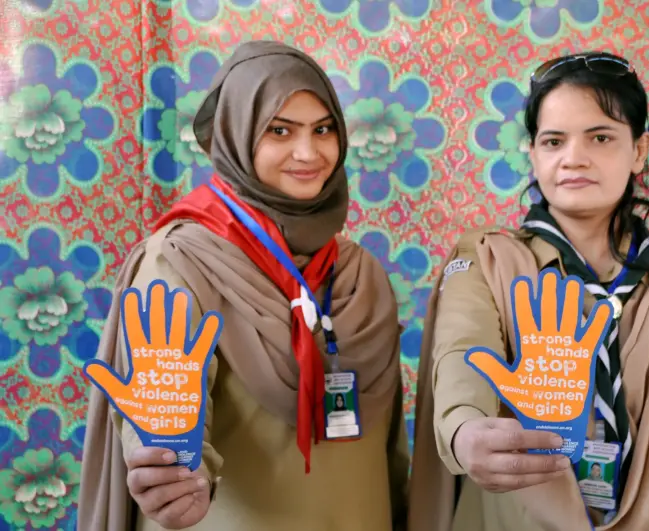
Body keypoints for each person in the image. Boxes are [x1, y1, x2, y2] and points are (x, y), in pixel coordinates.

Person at [408, 51, 649, 531]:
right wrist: (466, 431)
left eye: (601, 137)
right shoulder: (485, 260)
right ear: (534, 154)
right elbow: (463, 353)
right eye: (553, 141)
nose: (573, 158)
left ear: (638, 150)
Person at [78, 40, 409, 531]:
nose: (308, 152)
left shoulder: (359, 271)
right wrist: (169, 472)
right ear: (234, 133)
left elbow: (389, 443)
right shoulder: (182, 260)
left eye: (323, 130)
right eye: (280, 130)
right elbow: (164, 413)